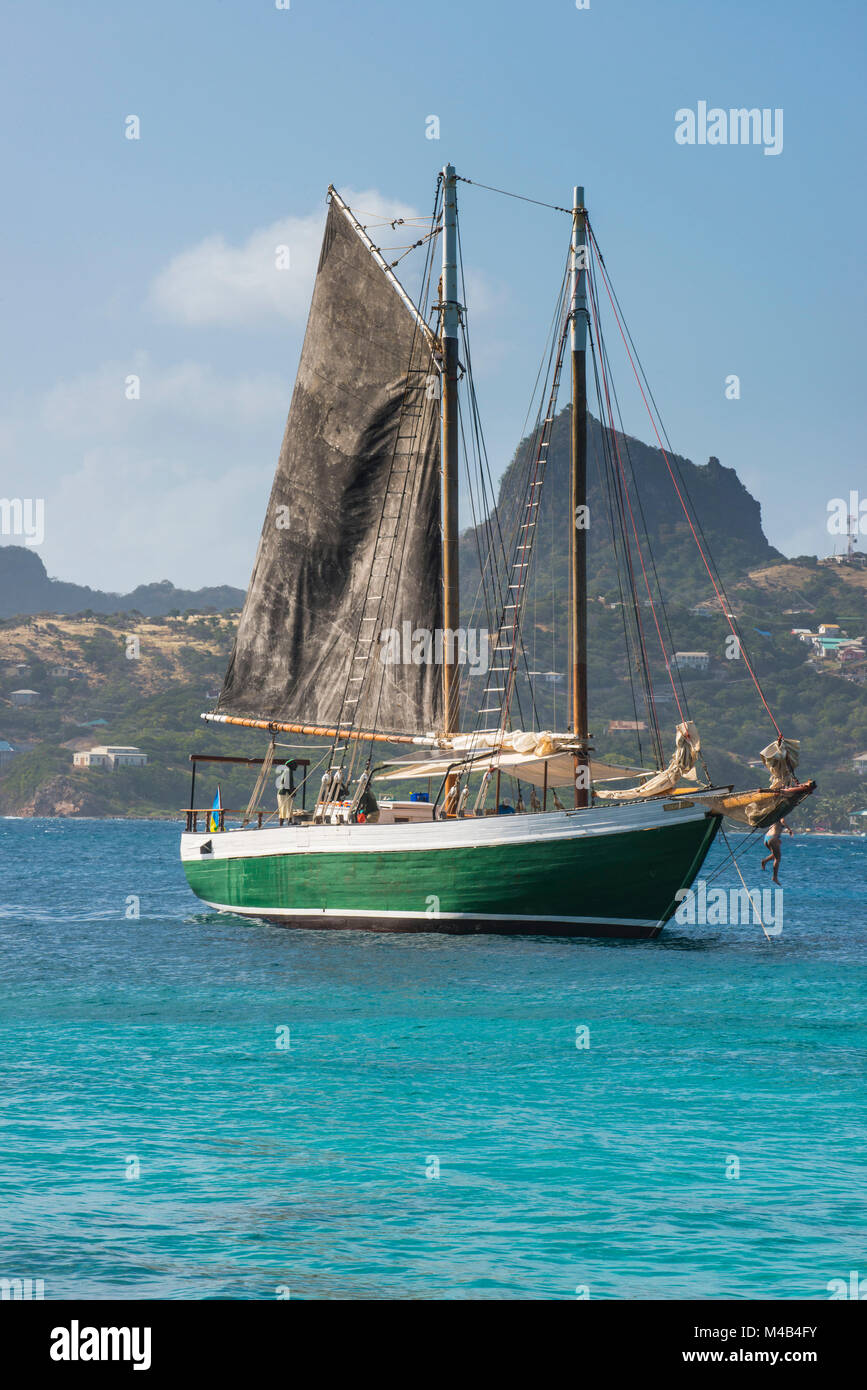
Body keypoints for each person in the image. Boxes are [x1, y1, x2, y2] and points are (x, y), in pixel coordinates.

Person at [761, 818, 792, 885]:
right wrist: (790, 830)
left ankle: (764, 861)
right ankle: (774, 877)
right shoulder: (781, 815)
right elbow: (782, 821)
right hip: (773, 838)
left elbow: (777, 827)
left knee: (775, 855)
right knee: (777, 858)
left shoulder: (775, 817)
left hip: (766, 838)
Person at [275, 761, 296, 826]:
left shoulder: (286, 771)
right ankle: (289, 823)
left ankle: (282, 824)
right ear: (291, 765)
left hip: (282, 793)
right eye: (295, 765)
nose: (296, 766)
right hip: (284, 793)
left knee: (283, 808)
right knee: (287, 807)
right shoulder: (288, 771)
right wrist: (291, 792)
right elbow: (286, 784)